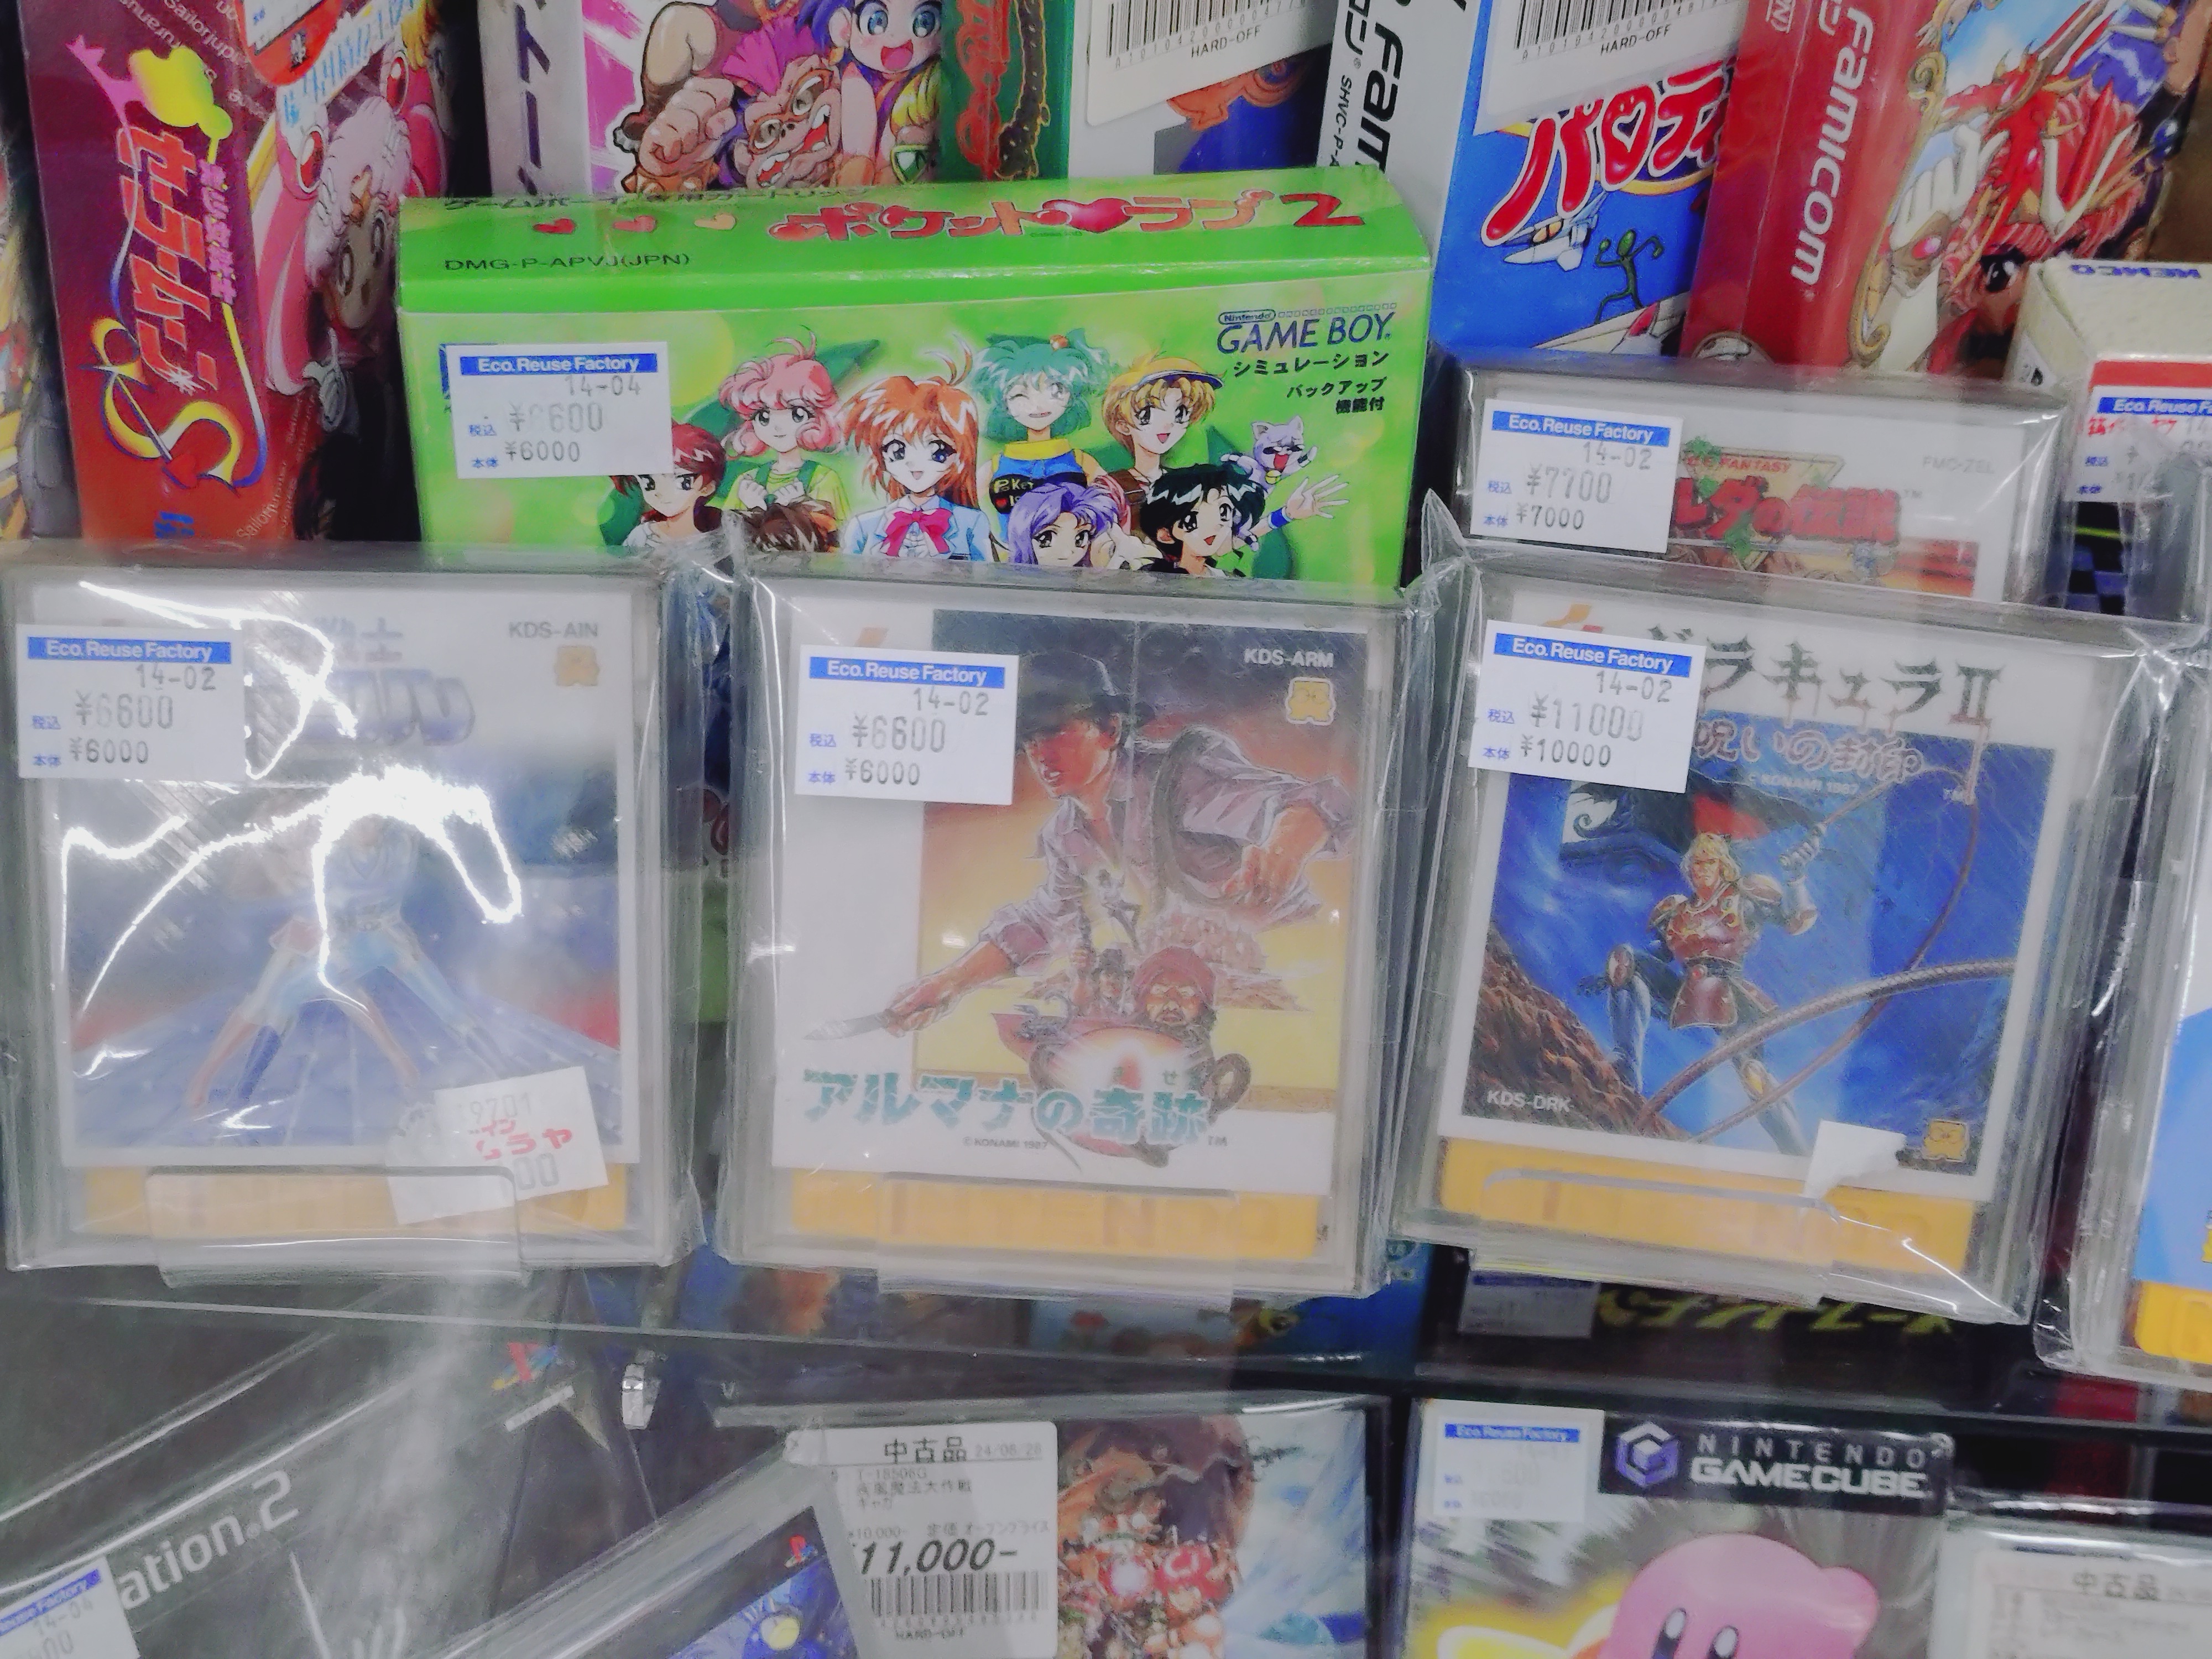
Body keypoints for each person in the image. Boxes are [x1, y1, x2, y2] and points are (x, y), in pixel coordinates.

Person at [877, 650, 1352, 1032]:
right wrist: (950, 982)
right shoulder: (1066, 835)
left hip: (1294, 968)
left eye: (1055, 731)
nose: (1041, 754)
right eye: (1029, 739)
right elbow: (1042, 923)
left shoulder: (1177, 777)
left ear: (1110, 729)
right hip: (1191, 991)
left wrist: (1284, 849)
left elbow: (1305, 802)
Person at [1592, 829, 1822, 1154]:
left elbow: (1795, 921)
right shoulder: (1677, 911)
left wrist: (1797, 879)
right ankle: (1626, 1066)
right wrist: (1616, 974)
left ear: (1723, 866)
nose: (1701, 869)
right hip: (1687, 992)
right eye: (1696, 863)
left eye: (1709, 862)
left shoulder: (1743, 898)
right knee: (1625, 960)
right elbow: (1658, 954)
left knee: (1755, 1077)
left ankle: (1795, 1149)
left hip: (1732, 994)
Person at [840, 356, 994, 559]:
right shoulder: (863, 526)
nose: (915, 464)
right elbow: (847, 576)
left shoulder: (972, 523)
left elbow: (984, 575)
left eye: (938, 451)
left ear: (958, 456)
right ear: (881, 455)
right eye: (897, 450)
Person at [614, 422, 727, 553]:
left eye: (681, 481)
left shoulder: (713, 543)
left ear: (707, 488)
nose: (660, 492)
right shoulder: (642, 536)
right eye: (648, 482)